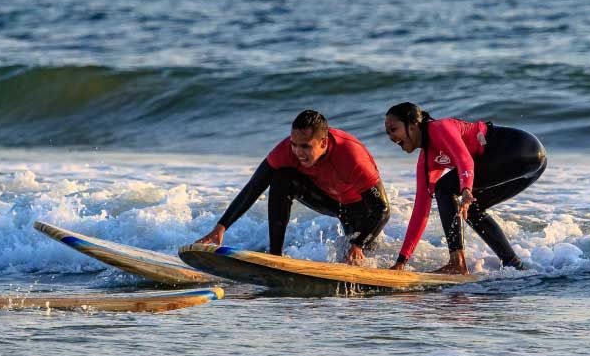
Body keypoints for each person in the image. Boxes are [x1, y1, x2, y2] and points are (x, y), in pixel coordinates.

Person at [197, 110, 390, 263]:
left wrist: (358, 244)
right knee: (282, 178)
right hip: (330, 201)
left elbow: (382, 209)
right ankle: (275, 256)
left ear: (323, 142)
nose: (298, 152)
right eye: (294, 144)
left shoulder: (352, 156)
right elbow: (253, 188)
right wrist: (221, 228)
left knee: (360, 254)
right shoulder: (286, 151)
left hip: (362, 210)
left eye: (305, 146)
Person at [384, 102, 546, 274]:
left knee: (444, 188)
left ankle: (457, 263)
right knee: (472, 208)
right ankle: (514, 264)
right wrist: (402, 260)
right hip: (532, 163)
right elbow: (420, 211)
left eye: (394, 129)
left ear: (413, 124)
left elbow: (465, 160)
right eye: (387, 133)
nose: (391, 137)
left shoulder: (440, 128)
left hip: (520, 147)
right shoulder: (426, 161)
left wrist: (466, 189)